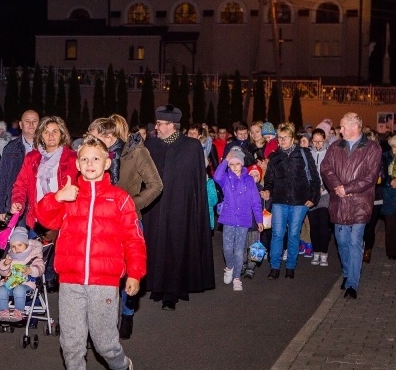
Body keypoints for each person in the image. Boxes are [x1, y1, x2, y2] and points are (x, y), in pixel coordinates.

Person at [36, 136, 145, 370]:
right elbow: (42, 218)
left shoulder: (120, 199)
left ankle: (123, 368)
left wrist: (134, 273)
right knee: (70, 344)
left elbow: (133, 240)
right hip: (70, 281)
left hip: (103, 282)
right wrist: (58, 197)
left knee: (104, 343)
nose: (89, 164)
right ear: (78, 164)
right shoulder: (69, 194)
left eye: (95, 159)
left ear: (107, 163)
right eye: (84, 159)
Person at [87, 114, 162, 339]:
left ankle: (127, 314)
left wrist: (130, 204)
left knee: (129, 271)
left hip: (126, 219)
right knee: (101, 272)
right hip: (99, 220)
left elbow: (155, 185)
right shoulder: (94, 155)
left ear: (108, 137)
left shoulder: (136, 152)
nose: (89, 141)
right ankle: (100, 323)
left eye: (93, 137)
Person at [142, 104, 215, 310]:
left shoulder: (191, 147)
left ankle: (172, 292)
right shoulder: (152, 145)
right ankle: (157, 284)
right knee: (155, 244)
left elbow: (197, 182)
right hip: (155, 207)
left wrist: (194, 208)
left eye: (160, 123)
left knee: (176, 246)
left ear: (171, 125)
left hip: (181, 207)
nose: (156, 127)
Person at [10, 116, 78, 292]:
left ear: (62, 134)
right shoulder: (32, 157)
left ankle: (65, 298)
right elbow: (21, 183)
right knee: (33, 261)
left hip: (65, 218)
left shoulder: (72, 157)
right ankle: (31, 301)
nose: (51, 135)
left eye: (55, 131)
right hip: (37, 217)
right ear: (41, 135)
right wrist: (17, 201)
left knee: (65, 263)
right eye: (46, 132)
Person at [320, 112, 383, 299]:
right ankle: (348, 273)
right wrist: (337, 187)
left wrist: (347, 188)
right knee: (342, 242)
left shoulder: (373, 148)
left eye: (343, 127)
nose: (340, 131)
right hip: (339, 202)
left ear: (355, 127)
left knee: (355, 242)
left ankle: (352, 284)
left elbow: (370, 177)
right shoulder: (335, 147)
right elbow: (325, 168)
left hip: (359, 203)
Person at [261, 123, 320, 279]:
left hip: (299, 201)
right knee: (277, 234)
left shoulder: (303, 154)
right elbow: (269, 179)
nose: (282, 141)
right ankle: (274, 267)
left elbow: (314, 177)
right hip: (279, 200)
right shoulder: (274, 157)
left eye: (285, 138)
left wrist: (313, 198)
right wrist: (267, 189)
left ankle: (290, 267)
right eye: (279, 138)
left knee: (294, 234)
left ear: (292, 138)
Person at [214, 148, 264, 291]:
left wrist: (259, 220)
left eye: (237, 164)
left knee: (239, 250)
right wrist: (225, 161)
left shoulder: (248, 180)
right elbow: (216, 176)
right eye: (232, 164)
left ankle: (237, 277)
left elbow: (255, 201)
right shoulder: (225, 178)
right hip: (228, 218)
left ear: (242, 164)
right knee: (227, 248)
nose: (235, 167)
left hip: (243, 219)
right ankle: (229, 266)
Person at [0, 226, 45, 321]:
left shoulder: (33, 256)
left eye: (19, 245)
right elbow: (3, 273)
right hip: (10, 284)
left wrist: (31, 270)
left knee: (19, 289)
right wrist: (5, 264)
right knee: (0, 290)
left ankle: (18, 312)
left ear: (26, 244)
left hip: (26, 285)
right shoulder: (10, 256)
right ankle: (4, 312)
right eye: (13, 247)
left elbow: (41, 268)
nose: (16, 249)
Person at [307, 128, 331, 266]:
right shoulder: (309, 153)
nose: (317, 144)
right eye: (315, 141)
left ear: (324, 140)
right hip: (312, 194)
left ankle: (324, 253)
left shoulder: (329, 153)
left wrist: (324, 187)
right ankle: (316, 252)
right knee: (314, 225)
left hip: (325, 194)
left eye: (320, 141)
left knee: (323, 224)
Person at [360, 130, 384, 264]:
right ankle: (359, 248)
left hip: (376, 196)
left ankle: (368, 250)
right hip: (360, 196)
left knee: (370, 225)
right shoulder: (358, 156)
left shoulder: (381, 156)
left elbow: (384, 176)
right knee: (360, 224)